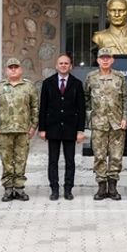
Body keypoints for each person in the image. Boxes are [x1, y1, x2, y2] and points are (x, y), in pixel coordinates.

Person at [0, 57, 39, 202]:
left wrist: (33, 127)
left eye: (16, 67)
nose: (13, 70)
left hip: (23, 131)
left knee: (21, 160)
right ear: (6, 70)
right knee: (6, 160)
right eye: (10, 67)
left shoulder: (28, 86)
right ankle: (8, 189)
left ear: (21, 69)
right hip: (4, 131)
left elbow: (35, 108)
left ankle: (19, 188)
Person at [38, 54, 86, 200]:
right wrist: (42, 129)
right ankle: (54, 189)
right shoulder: (48, 83)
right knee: (53, 161)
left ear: (70, 66)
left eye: (66, 63)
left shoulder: (77, 84)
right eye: (61, 63)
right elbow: (43, 107)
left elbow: (81, 109)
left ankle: (68, 189)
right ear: (56, 66)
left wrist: (80, 130)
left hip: (71, 128)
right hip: (52, 128)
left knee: (70, 161)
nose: (63, 65)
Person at [86, 47, 127, 201]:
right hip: (99, 123)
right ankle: (102, 187)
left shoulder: (119, 77)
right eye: (102, 57)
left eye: (108, 57)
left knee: (116, 156)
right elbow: (86, 98)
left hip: (117, 123)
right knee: (99, 156)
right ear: (97, 60)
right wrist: (90, 117)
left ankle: (113, 187)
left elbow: (125, 99)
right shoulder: (91, 77)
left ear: (112, 60)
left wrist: (125, 118)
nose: (105, 60)